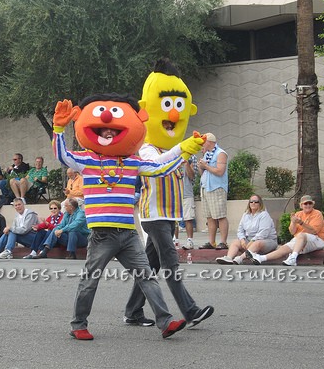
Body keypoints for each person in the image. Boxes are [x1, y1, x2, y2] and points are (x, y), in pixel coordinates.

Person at [52, 93, 200, 340]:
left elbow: (161, 168)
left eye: (113, 131)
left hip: (128, 234)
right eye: (104, 130)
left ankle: (165, 322)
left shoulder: (132, 161)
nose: (108, 132)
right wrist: (58, 128)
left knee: (147, 278)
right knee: (90, 281)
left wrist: (183, 151)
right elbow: (62, 155)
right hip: (102, 235)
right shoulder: (87, 159)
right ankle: (78, 324)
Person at [126, 59, 213, 331]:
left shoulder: (173, 149)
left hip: (169, 215)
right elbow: (160, 166)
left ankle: (132, 311)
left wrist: (187, 150)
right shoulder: (147, 148)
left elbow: (177, 166)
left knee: (149, 268)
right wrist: (183, 150)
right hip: (154, 215)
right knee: (170, 264)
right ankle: (190, 310)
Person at [246, 195, 324, 266]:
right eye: (305, 203)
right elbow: (292, 232)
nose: (308, 205)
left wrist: (301, 222)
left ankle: (293, 258)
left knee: (301, 235)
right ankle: (261, 258)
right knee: (284, 248)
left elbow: (314, 231)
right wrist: (293, 222)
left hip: (318, 239)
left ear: (313, 204)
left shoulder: (317, 214)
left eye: (310, 203)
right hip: (301, 240)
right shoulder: (298, 214)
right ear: (301, 205)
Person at [216, 194, 277, 265]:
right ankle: (229, 258)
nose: (253, 203)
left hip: (266, 241)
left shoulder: (264, 215)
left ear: (260, 203)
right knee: (235, 242)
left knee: (257, 243)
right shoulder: (246, 215)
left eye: (256, 202)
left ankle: (240, 258)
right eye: (251, 202)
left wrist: (252, 241)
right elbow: (240, 230)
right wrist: (242, 240)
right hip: (249, 240)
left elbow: (263, 233)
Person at [198, 133, 229, 250]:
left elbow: (220, 171)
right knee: (209, 217)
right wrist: (201, 167)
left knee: (220, 216)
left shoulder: (220, 153)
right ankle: (211, 242)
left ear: (209, 142)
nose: (201, 144)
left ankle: (223, 242)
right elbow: (203, 173)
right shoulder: (207, 154)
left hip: (216, 188)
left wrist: (206, 166)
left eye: (203, 142)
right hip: (205, 187)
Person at [180, 155, 198, 250]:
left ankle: (190, 240)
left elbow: (192, 176)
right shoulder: (171, 156)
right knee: (173, 220)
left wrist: (186, 163)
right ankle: (175, 241)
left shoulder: (191, 157)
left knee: (188, 218)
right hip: (174, 193)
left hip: (187, 193)